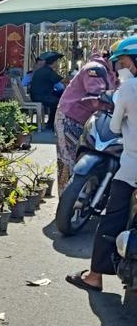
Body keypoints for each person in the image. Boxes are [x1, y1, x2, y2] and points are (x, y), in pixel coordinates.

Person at [67, 37, 137, 292]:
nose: (120, 68)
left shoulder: (128, 90)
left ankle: (94, 276)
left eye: (123, 62)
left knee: (113, 217)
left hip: (131, 168)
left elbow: (116, 126)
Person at [54, 52, 116, 193]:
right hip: (70, 118)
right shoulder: (95, 69)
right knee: (68, 161)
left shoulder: (112, 72)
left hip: (89, 121)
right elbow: (96, 96)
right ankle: (64, 207)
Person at [29, 51, 65, 129]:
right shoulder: (48, 71)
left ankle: (53, 122)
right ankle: (51, 124)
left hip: (38, 94)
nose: (57, 64)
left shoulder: (43, 70)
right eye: (56, 62)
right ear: (53, 62)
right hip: (41, 96)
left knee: (61, 93)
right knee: (58, 102)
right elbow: (62, 81)